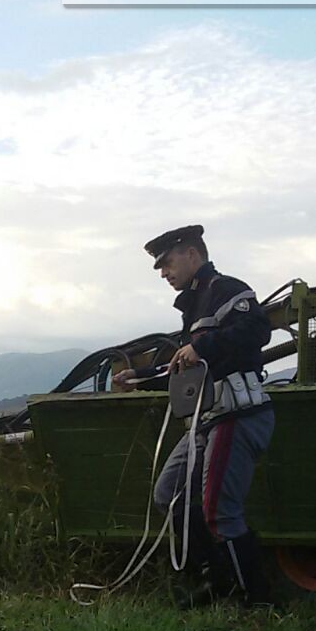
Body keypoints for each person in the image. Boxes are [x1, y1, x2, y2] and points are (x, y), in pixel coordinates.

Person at [112, 225, 275, 607]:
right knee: (169, 493)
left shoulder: (226, 290)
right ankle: (214, 582)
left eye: (167, 263)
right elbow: (187, 365)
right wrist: (140, 377)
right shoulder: (195, 305)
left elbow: (257, 330)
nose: (165, 273)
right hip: (207, 420)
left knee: (221, 513)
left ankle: (257, 601)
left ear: (190, 254)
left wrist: (202, 347)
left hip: (236, 414)